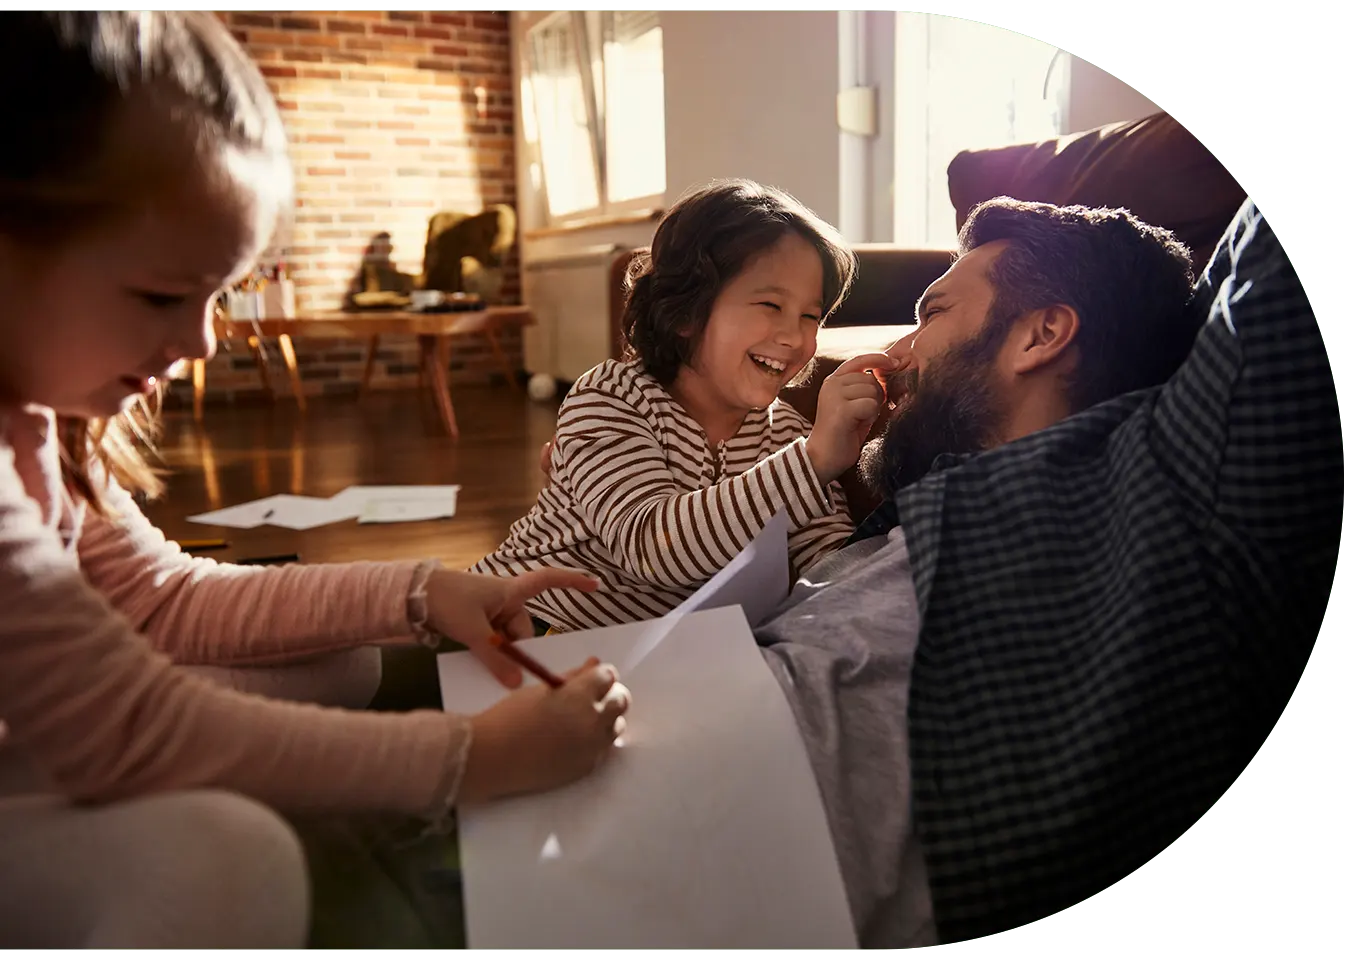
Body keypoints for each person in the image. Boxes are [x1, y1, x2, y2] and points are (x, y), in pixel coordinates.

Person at [535, 196, 1339, 946]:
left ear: (1041, 335)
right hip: (571, 717)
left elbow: (1293, 244)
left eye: (932, 314)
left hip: (610, 869)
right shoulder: (914, 507)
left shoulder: (1143, 499)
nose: (899, 353)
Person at [0, 12, 629, 949]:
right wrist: (470, 760)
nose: (205, 341)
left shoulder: (44, 419)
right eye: (164, 295)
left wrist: (424, 591)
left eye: (220, 294)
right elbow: (124, 728)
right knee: (225, 861)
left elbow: (163, 600)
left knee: (346, 660)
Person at [472, 179, 889, 641]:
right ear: (686, 312)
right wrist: (814, 462)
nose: (795, 336)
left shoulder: (788, 433)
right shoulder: (611, 398)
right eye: (771, 304)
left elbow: (827, 562)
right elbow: (652, 549)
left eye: (811, 316)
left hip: (652, 660)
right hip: (523, 624)